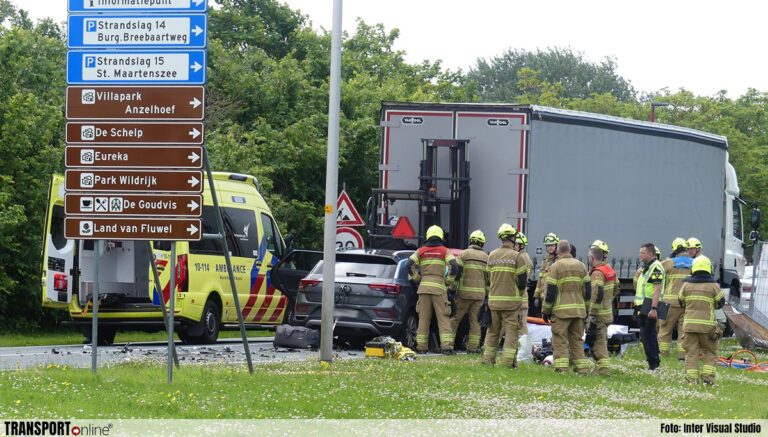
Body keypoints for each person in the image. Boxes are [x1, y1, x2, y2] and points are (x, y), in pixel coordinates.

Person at [406, 225, 459, 355]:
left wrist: (417, 278)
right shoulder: (444, 251)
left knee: (423, 319)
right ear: (441, 236)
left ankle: (421, 347)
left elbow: (409, 263)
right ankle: (446, 348)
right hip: (439, 289)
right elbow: (453, 265)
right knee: (443, 318)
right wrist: (448, 280)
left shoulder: (421, 251)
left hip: (423, 289)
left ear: (428, 236)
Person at [542, 240, 590, 374]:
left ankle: (562, 369)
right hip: (579, 311)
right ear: (569, 250)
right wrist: (586, 309)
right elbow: (588, 290)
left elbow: (551, 291)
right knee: (577, 341)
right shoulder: (582, 266)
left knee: (560, 340)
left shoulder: (556, 266)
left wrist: (545, 310)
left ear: (558, 251)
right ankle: (581, 369)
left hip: (561, 312)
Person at [482, 224, 527, 367]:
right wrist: (519, 295)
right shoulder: (517, 256)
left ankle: (487, 360)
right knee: (511, 333)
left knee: (493, 332)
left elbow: (487, 279)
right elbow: (522, 281)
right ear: (513, 238)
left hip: (494, 302)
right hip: (511, 303)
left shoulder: (492, 255)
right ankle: (508, 363)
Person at [679, 256, 725, 385]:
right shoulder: (714, 286)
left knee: (691, 354)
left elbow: (681, 302)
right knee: (710, 352)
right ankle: (707, 380)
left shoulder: (686, 285)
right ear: (708, 268)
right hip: (707, 327)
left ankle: (692, 381)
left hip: (689, 326)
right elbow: (720, 303)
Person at [450, 230, 489, 354]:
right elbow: (489, 279)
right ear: (482, 243)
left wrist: (452, 288)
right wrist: (487, 294)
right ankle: (472, 348)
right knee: (475, 322)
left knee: (455, 319)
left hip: (463, 294)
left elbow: (457, 273)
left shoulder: (463, 254)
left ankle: (448, 345)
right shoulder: (486, 258)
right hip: (479, 295)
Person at [587, 242, 618, 376]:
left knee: (598, 343)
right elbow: (617, 288)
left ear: (592, 258)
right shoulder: (609, 270)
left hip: (598, 315)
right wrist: (608, 300)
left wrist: (592, 313)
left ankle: (603, 370)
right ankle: (598, 368)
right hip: (607, 312)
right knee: (601, 340)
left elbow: (596, 294)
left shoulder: (598, 273)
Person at [658, 238, 692, 360]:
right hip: (686, 303)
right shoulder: (694, 263)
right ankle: (682, 356)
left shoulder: (669, 262)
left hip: (668, 302)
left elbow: (656, 271)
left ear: (674, 249)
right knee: (683, 332)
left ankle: (663, 354)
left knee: (664, 330)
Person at [634, 242, 665, 370]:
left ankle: (654, 363)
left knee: (649, 335)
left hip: (649, 306)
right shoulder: (647, 267)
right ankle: (652, 362)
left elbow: (656, 289)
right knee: (646, 335)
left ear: (651, 254)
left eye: (642, 252)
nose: (640, 255)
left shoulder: (656, 268)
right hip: (643, 305)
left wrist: (654, 308)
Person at [514, 232, 533, 337]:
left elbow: (521, 278)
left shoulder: (522, 257)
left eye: (516, 244)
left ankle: (525, 349)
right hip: (520, 297)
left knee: (521, 326)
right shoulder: (523, 256)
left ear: (522, 245)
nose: (514, 246)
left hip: (521, 298)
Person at [534, 233, 560, 309]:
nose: (550, 248)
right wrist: (536, 296)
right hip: (544, 299)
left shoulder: (559, 260)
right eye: (548, 246)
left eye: (552, 245)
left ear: (556, 245)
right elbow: (540, 279)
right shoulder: (545, 260)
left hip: (555, 299)